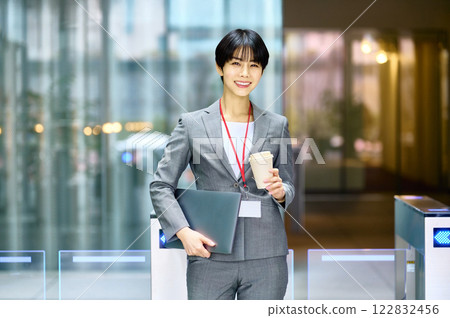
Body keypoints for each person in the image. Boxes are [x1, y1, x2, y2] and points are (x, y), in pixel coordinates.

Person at [150, 29, 295, 300]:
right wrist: (183, 232)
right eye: (236, 64)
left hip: (267, 256)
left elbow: (289, 185)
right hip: (210, 254)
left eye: (254, 65)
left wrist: (281, 191)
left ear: (262, 71)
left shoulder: (277, 125)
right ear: (220, 67)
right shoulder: (192, 124)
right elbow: (160, 185)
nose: (245, 73)